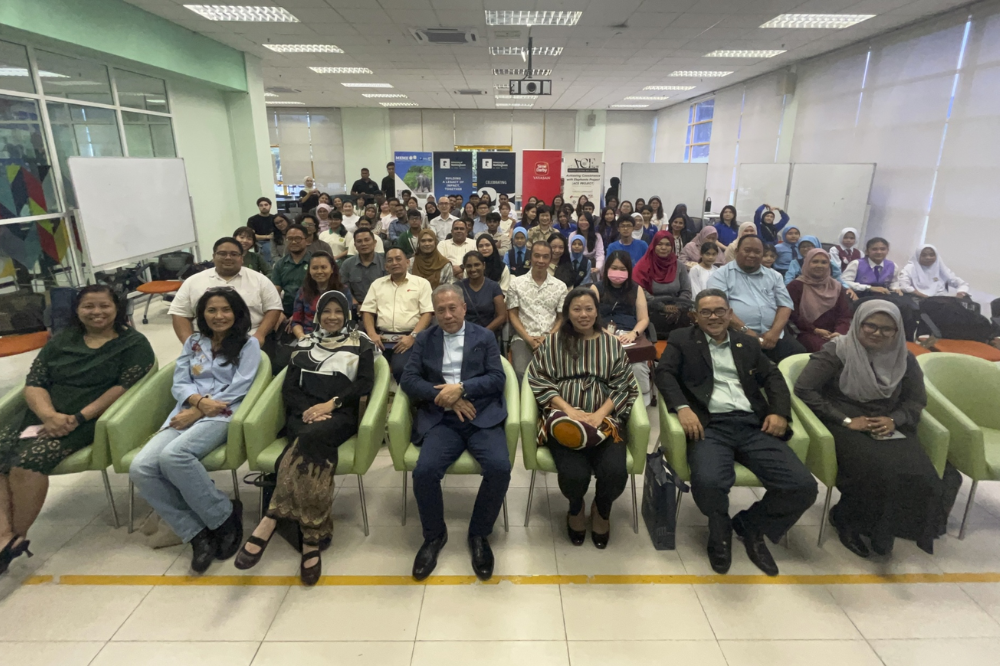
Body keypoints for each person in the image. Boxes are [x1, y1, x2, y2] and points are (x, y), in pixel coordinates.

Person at [655, 288, 817, 576]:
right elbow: (664, 373)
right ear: (695, 316)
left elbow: (773, 377)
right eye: (706, 312)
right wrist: (681, 407)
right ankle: (719, 530)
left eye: (720, 311)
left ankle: (751, 525)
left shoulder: (747, 343)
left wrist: (779, 412)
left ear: (730, 314)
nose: (714, 317)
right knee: (709, 481)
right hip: (710, 425)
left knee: (802, 486)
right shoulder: (683, 339)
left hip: (753, 424)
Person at [0, 286, 155, 572]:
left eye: (104, 306)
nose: (97, 312)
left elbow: (121, 390)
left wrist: (76, 418)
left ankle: (15, 537)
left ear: (117, 308)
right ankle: (4, 535)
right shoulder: (62, 341)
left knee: (27, 464)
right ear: (77, 310)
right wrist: (48, 415)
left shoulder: (132, 344)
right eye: (88, 307)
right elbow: (34, 382)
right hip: (42, 413)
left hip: (89, 419)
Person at [236, 291, 375, 584]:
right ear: (318, 314)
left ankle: (271, 517)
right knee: (313, 443)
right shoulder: (303, 344)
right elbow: (289, 388)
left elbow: (364, 383)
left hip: (340, 415)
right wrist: (307, 411)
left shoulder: (361, 343)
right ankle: (311, 538)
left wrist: (330, 405)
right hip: (304, 414)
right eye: (327, 311)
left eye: (339, 311)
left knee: (310, 438)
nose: (333, 317)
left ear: (347, 314)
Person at [794, 301, 941, 556]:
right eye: (870, 325)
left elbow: (916, 400)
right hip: (844, 420)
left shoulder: (904, 358)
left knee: (922, 472)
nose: (877, 333)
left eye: (887, 329)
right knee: (877, 471)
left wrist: (894, 419)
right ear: (858, 324)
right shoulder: (837, 351)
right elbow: (804, 389)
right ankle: (847, 520)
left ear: (897, 332)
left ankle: (888, 528)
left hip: (887, 420)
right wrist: (846, 420)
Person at [130, 289, 259, 573]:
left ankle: (223, 517)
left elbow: (241, 385)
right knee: (141, 467)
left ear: (237, 313)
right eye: (211, 310)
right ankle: (195, 532)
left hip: (224, 414)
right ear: (202, 315)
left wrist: (200, 410)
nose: (219, 316)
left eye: (226, 310)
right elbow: (179, 381)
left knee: (174, 456)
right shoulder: (193, 342)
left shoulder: (248, 345)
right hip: (183, 413)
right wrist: (195, 403)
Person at [402, 285, 511, 581]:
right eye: (441, 310)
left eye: (453, 308)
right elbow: (409, 380)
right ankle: (434, 535)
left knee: (500, 468)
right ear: (434, 312)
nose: (448, 315)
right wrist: (445, 397)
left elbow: (497, 378)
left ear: (463, 307)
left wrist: (462, 389)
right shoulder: (425, 339)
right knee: (424, 472)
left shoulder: (485, 337)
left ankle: (478, 534)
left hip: (481, 415)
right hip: (442, 419)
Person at [527, 288, 640, 548]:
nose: (583, 314)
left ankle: (602, 510)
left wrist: (600, 414)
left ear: (597, 311)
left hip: (606, 419)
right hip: (564, 419)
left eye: (589, 308)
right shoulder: (554, 342)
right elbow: (538, 378)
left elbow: (624, 384)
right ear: (567, 313)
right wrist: (569, 410)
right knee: (574, 474)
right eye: (576, 309)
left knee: (614, 471)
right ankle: (576, 508)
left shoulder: (611, 343)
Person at [707, 236, 806, 364]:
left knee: (800, 360)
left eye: (757, 252)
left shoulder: (774, 276)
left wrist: (774, 333)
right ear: (737, 252)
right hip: (737, 335)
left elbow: (785, 305)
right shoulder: (721, 275)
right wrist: (748, 333)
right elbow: (720, 309)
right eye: (747, 250)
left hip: (773, 335)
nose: (752, 255)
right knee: (751, 370)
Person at [171, 237, 282, 341]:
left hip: (250, 337)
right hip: (204, 340)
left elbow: (273, 308)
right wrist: (189, 345)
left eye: (234, 254)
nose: (228, 257)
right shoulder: (193, 281)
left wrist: (260, 335)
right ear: (213, 257)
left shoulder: (259, 280)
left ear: (241, 258)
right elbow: (179, 313)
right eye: (222, 254)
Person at [361, 248, 434, 380]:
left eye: (398, 259)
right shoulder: (377, 284)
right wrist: (372, 335)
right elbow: (367, 311)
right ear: (386, 266)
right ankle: (375, 400)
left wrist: (413, 337)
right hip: (380, 339)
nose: (394, 263)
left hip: (409, 338)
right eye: (390, 260)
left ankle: (405, 400)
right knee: (365, 368)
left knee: (401, 368)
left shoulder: (422, 284)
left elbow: (427, 313)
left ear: (407, 262)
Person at [591, 251, 653, 406]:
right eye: (614, 268)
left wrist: (633, 333)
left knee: (638, 367)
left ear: (629, 270)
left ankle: (639, 405)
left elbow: (644, 319)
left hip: (630, 337)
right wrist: (607, 335)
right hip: (603, 335)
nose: (618, 272)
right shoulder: (596, 288)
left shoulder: (636, 289)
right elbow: (591, 319)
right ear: (606, 269)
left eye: (622, 269)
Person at [506, 241, 568, 380]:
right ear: (530, 257)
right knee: (521, 373)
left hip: (551, 339)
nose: (541, 260)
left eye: (545, 257)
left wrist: (548, 338)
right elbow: (513, 315)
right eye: (537, 256)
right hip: (523, 338)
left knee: (558, 373)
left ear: (550, 259)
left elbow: (561, 317)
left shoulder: (560, 286)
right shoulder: (516, 283)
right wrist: (529, 339)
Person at [842, 237, 918, 338]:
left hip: (884, 294)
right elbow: (844, 281)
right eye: (874, 249)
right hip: (863, 294)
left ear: (887, 251)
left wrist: (895, 288)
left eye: (883, 249)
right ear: (867, 251)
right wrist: (868, 287)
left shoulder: (892, 265)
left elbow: (894, 281)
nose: (879, 252)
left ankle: (904, 337)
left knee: (909, 305)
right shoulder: (857, 264)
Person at [787, 249, 853, 352]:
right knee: (825, 350)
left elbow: (844, 315)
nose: (819, 265)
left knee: (851, 349)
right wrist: (815, 330)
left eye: (824, 262)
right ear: (807, 263)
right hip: (806, 332)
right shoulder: (795, 286)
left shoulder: (836, 286)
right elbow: (793, 315)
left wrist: (839, 332)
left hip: (834, 333)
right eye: (815, 261)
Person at [634, 230, 692, 339]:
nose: (663, 248)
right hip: (651, 307)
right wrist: (662, 307)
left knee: (686, 322)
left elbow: (686, 291)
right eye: (659, 244)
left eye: (667, 244)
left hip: (677, 307)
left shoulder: (679, 266)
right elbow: (639, 290)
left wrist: (677, 308)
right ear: (653, 246)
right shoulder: (643, 265)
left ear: (672, 247)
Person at [291, 252, 343, 339]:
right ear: (309, 270)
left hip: (337, 338)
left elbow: (346, 321)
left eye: (323, 267)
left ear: (332, 269)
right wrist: (302, 337)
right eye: (315, 268)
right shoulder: (302, 292)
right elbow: (296, 322)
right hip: (309, 337)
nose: (319, 271)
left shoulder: (343, 291)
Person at [269, 225, 313, 318]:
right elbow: (275, 292)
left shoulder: (315, 261)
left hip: (312, 309)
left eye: (298, 238)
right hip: (287, 310)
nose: (293, 242)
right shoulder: (280, 264)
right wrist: (278, 312)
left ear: (307, 241)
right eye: (289, 239)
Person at [782, 236, 853, 293]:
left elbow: (838, 279)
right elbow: (789, 279)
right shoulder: (796, 262)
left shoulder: (829, 262)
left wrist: (847, 289)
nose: (806, 249)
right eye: (803, 247)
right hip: (803, 291)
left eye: (809, 246)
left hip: (827, 290)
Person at [899, 244, 970, 299]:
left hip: (940, 300)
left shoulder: (940, 268)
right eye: (924, 255)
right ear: (918, 256)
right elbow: (904, 285)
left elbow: (962, 283)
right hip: (917, 300)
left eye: (932, 255)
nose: (928, 257)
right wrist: (924, 296)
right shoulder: (910, 268)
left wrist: (961, 292)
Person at [340, 228, 386, 311]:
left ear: (375, 243)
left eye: (367, 240)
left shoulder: (385, 262)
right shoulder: (347, 264)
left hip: (382, 307)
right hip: (356, 308)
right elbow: (344, 288)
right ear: (355, 245)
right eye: (359, 241)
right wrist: (356, 305)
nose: (363, 244)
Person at [460, 251, 507, 333]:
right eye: (469, 266)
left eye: (477, 265)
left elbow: (502, 316)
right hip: (463, 333)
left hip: (488, 333)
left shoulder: (494, 287)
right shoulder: (458, 287)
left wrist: (484, 333)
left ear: (484, 265)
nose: (473, 269)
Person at [247, 197, 276, 264]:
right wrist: (267, 237)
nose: (264, 207)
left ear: (270, 206)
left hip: (275, 241)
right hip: (260, 243)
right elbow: (252, 235)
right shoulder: (252, 219)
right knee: (268, 248)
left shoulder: (274, 218)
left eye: (266, 205)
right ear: (258, 207)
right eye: (261, 205)